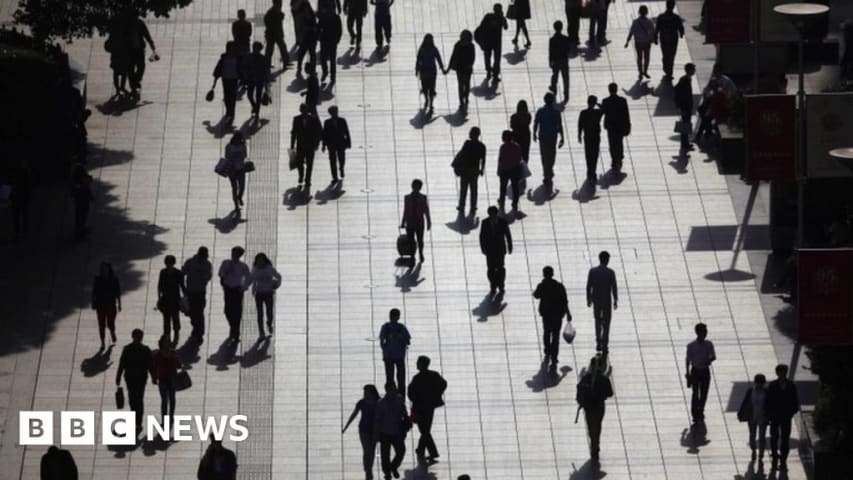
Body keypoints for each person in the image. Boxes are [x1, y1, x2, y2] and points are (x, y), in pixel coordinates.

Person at [408, 355, 448, 462]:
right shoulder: (434, 375)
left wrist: (415, 400)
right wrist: (436, 395)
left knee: (424, 430)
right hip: (430, 407)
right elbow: (443, 384)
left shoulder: (417, 378)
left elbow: (410, 392)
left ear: (421, 364)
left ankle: (432, 452)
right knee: (425, 429)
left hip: (420, 407)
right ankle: (421, 449)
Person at [115, 329, 155, 434]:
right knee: (133, 399)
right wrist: (118, 376)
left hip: (139, 378)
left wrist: (154, 376)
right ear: (133, 337)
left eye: (139, 336)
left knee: (138, 399)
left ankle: (138, 422)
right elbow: (122, 363)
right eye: (137, 336)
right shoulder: (128, 349)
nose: (138, 338)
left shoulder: (144, 350)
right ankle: (136, 420)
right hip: (131, 378)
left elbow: (151, 365)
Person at [576, 354, 613, 465]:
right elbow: (610, 393)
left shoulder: (586, 378)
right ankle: (596, 444)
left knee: (591, 426)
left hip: (589, 408)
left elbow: (579, 393)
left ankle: (594, 444)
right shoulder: (604, 378)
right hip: (600, 407)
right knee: (598, 425)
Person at [533, 266, 571, 371]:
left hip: (547, 314)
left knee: (546, 332)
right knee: (556, 336)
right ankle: (554, 357)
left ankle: (547, 350)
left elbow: (536, 295)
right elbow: (565, 301)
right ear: (552, 274)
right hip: (558, 315)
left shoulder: (542, 285)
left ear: (544, 274)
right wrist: (568, 313)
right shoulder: (559, 286)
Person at [343, 385, 381, 479]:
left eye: (367, 392)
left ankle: (369, 468)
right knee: (366, 449)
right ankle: (367, 468)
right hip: (363, 430)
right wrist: (346, 426)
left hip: (374, 430)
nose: (365, 394)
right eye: (365, 392)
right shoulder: (362, 403)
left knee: (371, 450)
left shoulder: (378, 403)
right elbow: (354, 414)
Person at [767, 364, 800, 471]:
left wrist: (791, 412)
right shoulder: (772, 385)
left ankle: (783, 460)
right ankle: (775, 457)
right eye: (779, 372)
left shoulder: (791, 385)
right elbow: (768, 401)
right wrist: (769, 414)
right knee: (774, 437)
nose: (781, 374)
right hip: (775, 416)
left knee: (785, 438)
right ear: (777, 373)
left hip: (786, 416)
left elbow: (795, 401)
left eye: (783, 372)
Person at [374, 382, 408, 480]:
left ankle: (393, 466)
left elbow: (403, 411)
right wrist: (376, 434)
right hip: (385, 433)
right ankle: (387, 472)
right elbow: (377, 420)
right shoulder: (381, 403)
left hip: (397, 432)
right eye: (392, 389)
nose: (394, 391)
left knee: (401, 451)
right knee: (385, 455)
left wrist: (405, 418)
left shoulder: (399, 399)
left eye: (395, 389)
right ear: (387, 390)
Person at [586, 251, 617, 353]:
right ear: (607, 260)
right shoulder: (610, 272)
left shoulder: (593, 271)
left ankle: (598, 341)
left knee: (598, 321)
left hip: (596, 301)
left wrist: (589, 298)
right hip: (606, 301)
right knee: (606, 323)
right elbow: (614, 287)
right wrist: (615, 300)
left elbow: (588, 286)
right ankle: (605, 344)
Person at [685, 322, 716, 424]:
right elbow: (688, 360)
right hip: (695, 371)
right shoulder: (691, 345)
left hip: (705, 370)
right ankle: (694, 412)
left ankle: (701, 410)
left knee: (704, 393)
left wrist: (709, 360)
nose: (706, 333)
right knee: (695, 393)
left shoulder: (709, 344)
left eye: (706, 331)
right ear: (698, 333)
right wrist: (687, 373)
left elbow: (713, 356)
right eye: (704, 331)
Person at [219, 246, 251, 342]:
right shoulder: (226, 263)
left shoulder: (243, 266)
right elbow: (221, 273)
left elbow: (248, 277)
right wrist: (225, 276)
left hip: (237, 290)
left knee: (237, 311)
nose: (233, 255)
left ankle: (235, 332)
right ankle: (233, 327)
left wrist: (244, 287)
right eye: (233, 253)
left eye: (236, 254)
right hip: (228, 289)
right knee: (227, 310)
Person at [534, 93, 565, 192]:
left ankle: (547, 173)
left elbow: (536, 123)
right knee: (551, 155)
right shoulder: (556, 112)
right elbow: (559, 125)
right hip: (552, 137)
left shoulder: (540, 111)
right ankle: (549, 172)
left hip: (543, 137)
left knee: (544, 155)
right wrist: (562, 137)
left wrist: (534, 133)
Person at [452, 127, 486, 214]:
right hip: (474, 170)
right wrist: (482, 169)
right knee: (473, 189)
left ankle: (462, 205)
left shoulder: (467, 144)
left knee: (464, 189)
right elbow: (483, 159)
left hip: (466, 169)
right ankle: (473, 206)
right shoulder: (482, 146)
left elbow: (462, 154)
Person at [480, 206, 513, 296]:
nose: (492, 216)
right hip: (490, 250)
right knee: (491, 269)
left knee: (500, 268)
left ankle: (501, 284)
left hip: (500, 249)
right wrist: (483, 248)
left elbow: (507, 234)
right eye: (491, 214)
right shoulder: (485, 222)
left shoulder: (502, 222)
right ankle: (493, 284)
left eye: (494, 214)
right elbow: (482, 236)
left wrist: (510, 246)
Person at [182, 247, 212, 342]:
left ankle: (199, 333)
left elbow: (208, 276)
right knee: (191, 313)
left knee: (199, 313)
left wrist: (204, 276)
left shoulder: (207, 264)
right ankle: (196, 329)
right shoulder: (190, 262)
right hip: (190, 292)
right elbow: (183, 272)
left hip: (200, 292)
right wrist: (183, 287)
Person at [153, 335, 181, 435]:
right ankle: (165, 418)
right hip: (163, 380)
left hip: (172, 379)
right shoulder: (158, 355)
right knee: (164, 400)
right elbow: (154, 367)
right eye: (166, 341)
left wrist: (175, 358)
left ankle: (171, 415)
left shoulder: (173, 353)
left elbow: (179, 365)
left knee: (172, 399)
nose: (167, 343)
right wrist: (154, 377)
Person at [379, 309, 411, 396]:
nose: (393, 318)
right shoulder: (386, 327)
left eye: (394, 316)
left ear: (398, 317)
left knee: (400, 378)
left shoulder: (401, 328)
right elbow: (382, 341)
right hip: (390, 357)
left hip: (398, 356)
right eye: (392, 316)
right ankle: (391, 393)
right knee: (390, 378)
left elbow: (408, 341)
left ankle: (400, 394)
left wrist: (401, 338)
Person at [290, 103, 323, 187]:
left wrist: (317, 143)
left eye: (305, 110)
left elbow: (318, 132)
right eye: (302, 110)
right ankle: (301, 175)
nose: (303, 111)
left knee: (310, 163)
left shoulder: (313, 119)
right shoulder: (296, 119)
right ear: (300, 110)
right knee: (299, 162)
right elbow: (294, 132)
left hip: (310, 145)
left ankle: (308, 179)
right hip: (300, 145)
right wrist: (292, 145)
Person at [600, 82, 630, 173]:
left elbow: (603, 112)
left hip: (610, 126)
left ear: (609, 90)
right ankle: (619, 158)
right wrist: (627, 125)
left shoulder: (605, 101)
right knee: (619, 142)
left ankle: (614, 159)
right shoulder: (622, 100)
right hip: (620, 125)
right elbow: (626, 114)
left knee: (612, 143)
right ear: (616, 90)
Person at [250, 253, 281, 339]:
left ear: (265, 261)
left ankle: (269, 323)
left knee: (269, 311)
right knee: (260, 314)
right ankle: (261, 332)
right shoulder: (255, 269)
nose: (260, 263)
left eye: (262, 261)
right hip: (259, 293)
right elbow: (252, 279)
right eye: (258, 261)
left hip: (268, 293)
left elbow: (278, 276)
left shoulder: (269, 269)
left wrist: (276, 285)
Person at [738, 374, 768, 461]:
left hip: (763, 417)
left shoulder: (766, 392)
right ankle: (754, 449)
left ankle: (761, 452)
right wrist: (741, 413)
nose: (759, 385)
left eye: (760, 383)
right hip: (752, 416)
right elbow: (745, 402)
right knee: (752, 435)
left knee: (762, 436)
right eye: (757, 383)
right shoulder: (751, 391)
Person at [400, 179, 432, 263]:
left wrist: (429, 221)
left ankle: (421, 252)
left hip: (419, 222)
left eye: (418, 187)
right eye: (415, 187)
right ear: (412, 187)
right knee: (411, 240)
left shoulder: (423, 198)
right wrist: (403, 222)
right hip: (410, 222)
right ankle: (412, 256)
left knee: (420, 240)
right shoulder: (407, 198)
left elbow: (426, 210)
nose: (416, 189)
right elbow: (405, 210)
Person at [92, 261, 121, 350]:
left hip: (111, 305)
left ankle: (112, 331)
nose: (103, 270)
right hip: (100, 305)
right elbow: (94, 292)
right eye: (102, 269)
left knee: (110, 323)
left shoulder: (114, 279)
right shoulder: (98, 279)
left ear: (109, 269)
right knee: (101, 325)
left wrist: (119, 304)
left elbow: (118, 292)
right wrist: (93, 302)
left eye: (105, 268)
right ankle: (103, 343)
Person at [126, 11, 156, 96]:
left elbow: (146, 34)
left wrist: (151, 44)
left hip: (139, 49)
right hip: (130, 50)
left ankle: (136, 81)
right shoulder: (127, 25)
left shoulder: (140, 24)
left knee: (141, 67)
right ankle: (133, 86)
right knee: (131, 69)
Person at [477, 4, 508, 85]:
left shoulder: (501, 18)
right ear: (494, 10)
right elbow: (481, 27)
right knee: (488, 57)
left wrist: (503, 19)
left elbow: (506, 27)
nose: (498, 11)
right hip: (488, 41)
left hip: (496, 42)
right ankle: (489, 71)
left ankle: (495, 74)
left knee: (496, 59)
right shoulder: (488, 16)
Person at [577, 95, 604, 191]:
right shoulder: (597, 112)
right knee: (595, 155)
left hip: (587, 137)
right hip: (596, 137)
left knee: (588, 155)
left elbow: (580, 124)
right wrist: (598, 104)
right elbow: (604, 109)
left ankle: (590, 172)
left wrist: (579, 135)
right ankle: (593, 172)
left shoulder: (583, 113)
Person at [157, 255, 185, 344]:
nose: (168, 265)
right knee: (166, 318)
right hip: (166, 299)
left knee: (175, 317)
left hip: (175, 299)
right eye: (167, 263)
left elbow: (182, 285)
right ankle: (167, 335)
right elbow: (160, 285)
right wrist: (159, 298)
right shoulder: (163, 272)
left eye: (169, 263)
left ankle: (176, 333)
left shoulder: (178, 273)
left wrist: (185, 297)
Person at [415, 34, 446, 113]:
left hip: (431, 71)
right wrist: (417, 69)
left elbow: (438, 58)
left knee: (431, 88)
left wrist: (442, 68)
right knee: (425, 88)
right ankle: (426, 99)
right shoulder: (422, 49)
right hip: (424, 71)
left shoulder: (433, 49)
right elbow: (418, 60)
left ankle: (431, 103)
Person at [655, 0, 685, 79]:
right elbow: (680, 27)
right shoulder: (676, 17)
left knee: (665, 54)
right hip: (673, 39)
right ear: (673, 6)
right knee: (671, 55)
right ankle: (669, 71)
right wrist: (681, 33)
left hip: (664, 38)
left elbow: (657, 28)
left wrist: (655, 37)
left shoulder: (661, 17)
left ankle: (666, 67)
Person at [322, 106, 352, 182]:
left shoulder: (342, 120)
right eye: (333, 112)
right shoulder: (327, 122)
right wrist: (323, 145)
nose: (335, 113)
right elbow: (324, 134)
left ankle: (341, 168)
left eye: (336, 112)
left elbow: (347, 132)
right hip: (331, 144)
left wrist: (348, 142)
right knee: (332, 160)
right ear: (330, 113)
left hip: (341, 143)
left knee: (342, 158)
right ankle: (334, 177)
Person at [447, 30, 476, 110]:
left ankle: (465, 97)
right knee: (461, 85)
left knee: (466, 84)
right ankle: (461, 100)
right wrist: (449, 67)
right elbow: (453, 56)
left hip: (466, 69)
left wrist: (470, 64)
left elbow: (473, 57)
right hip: (460, 69)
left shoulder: (470, 46)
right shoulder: (459, 45)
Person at [624, 5, 655, 80]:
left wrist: (627, 41)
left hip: (638, 42)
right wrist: (653, 39)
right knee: (647, 58)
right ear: (647, 12)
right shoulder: (649, 21)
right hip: (647, 42)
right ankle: (645, 71)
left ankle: (640, 72)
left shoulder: (635, 21)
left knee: (639, 58)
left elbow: (631, 32)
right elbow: (653, 32)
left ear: (639, 12)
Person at [213, 41, 241, 121]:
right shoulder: (224, 58)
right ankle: (228, 110)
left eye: (233, 47)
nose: (232, 49)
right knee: (226, 96)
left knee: (232, 96)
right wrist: (215, 79)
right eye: (230, 48)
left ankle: (231, 112)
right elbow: (218, 68)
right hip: (225, 78)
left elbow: (241, 68)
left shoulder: (237, 58)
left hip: (234, 79)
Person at [496, 130, 523, 212]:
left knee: (503, 186)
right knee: (515, 186)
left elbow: (500, 159)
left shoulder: (503, 147)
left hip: (505, 170)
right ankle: (515, 202)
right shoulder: (517, 146)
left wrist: (499, 169)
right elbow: (519, 158)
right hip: (515, 169)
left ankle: (502, 199)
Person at [243, 42, 271, 118]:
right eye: (254, 47)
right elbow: (245, 67)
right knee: (249, 95)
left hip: (260, 79)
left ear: (259, 49)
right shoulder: (249, 56)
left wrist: (267, 79)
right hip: (251, 79)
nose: (254, 49)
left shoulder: (263, 58)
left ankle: (257, 111)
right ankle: (254, 106)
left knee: (258, 96)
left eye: (256, 48)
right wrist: (245, 76)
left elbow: (266, 69)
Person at [105, 17, 131, 97]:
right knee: (122, 72)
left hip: (117, 54)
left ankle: (119, 88)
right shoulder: (123, 32)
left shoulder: (114, 33)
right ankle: (121, 87)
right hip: (121, 54)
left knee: (117, 72)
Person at [674, 63, 696, 154]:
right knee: (685, 125)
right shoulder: (685, 80)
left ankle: (685, 143)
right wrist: (682, 106)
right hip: (685, 106)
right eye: (693, 69)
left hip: (686, 106)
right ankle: (684, 144)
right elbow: (682, 94)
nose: (694, 71)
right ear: (689, 70)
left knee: (686, 124)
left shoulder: (686, 79)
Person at [318, 5, 343, 85]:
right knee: (323, 59)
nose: (329, 10)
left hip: (332, 42)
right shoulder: (323, 17)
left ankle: (333, 76)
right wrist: (319, 36)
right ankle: (325, 72)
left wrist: (337, 40)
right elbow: (318, 27)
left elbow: (339, 30)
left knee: (332, 60)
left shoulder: (336, 18)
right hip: (324, 40)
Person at [548, 22, 571, 102]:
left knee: (555, 75)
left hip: (556, 60)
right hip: (564, 60)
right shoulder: (566, 38)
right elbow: (568, 49)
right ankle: (566, 93)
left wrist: (550, 61)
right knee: (565, 77)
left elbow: (550, 52)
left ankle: (554, 89)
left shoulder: (552, 40)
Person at [264, 0, 291, 69]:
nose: (280, 5)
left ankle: (285, 62)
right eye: (279, 4)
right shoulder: (271, 12)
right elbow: (268, 22)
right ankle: (267, 63)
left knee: (282, 48)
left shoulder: (276, 12)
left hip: (276, 34)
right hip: (272, 34)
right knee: (271, 49)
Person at [225, 132, 248, 210]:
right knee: (236, 187)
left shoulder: (242, 146)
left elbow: (245, 155)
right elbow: (227, 156)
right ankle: (236, 203)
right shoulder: (229, 146)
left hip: (238, 169)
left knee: (240, 187)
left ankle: (239, 198)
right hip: (234, 169)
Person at [71, 164, 93, 240]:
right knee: (81, 217)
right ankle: (80, 233)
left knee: (81, 216)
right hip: (82, 202)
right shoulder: (79, 183)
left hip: (81, 202)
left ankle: (81, 230)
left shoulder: (77, 183)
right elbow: (87, 187)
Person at [296, 7, 318, 74]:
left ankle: (313, 68)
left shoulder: (313, 18)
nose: (306, 13)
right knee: (301, 54)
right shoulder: (302, 18)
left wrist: (309, 29)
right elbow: (299, 28)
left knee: (312, 54)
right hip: (305, 39)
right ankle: (299, 68)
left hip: (311, 39)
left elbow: (315, 28)